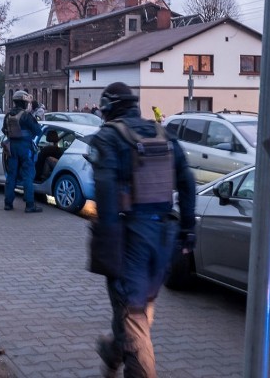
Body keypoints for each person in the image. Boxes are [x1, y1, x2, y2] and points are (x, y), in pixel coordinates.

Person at [88, 82, 197, 377]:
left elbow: (107, 196)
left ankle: (124, 358)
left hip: (129, 240)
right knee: (136, 309)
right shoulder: (165, 135)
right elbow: (187, 184)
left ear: (108, 109)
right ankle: (113, 354)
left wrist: (107, 245)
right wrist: (188, 230)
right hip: (163, 239)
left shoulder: (109, 139)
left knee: (133, 318)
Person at [2, 90, 44, 213]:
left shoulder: (8, 115)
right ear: (24, 102)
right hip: (25, 148)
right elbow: (38, 131)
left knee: (11, 175)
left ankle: (8, 204)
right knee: (27, 175)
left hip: (12, 148)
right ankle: (30, 205)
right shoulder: (26, 116)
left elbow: (4, 130)